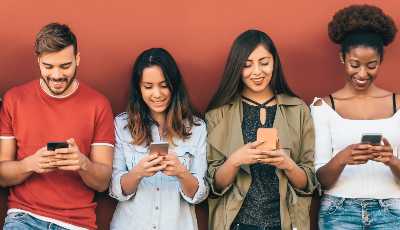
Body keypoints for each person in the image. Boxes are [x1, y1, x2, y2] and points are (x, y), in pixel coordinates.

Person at [0, 23, 115, 230]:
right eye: (48, 66)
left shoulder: (98, 105)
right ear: (38, 61)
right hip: (24, 217)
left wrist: (83, 164)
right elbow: (2, 175)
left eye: (65, 66)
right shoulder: (14, 100)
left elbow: (103, 182)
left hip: (77, 223)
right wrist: (30, 164)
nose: (56, 75)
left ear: (77, 59)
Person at [206, 29, 317, 230]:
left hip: (285, 222)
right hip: (237, 223)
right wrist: (235, 161)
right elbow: (215, 186)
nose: (257, 72)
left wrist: (288, 164)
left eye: (264, 63)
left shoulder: (298, 109)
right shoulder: (218, 114)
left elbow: (307, 183)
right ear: (236, 68)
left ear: (275, 63)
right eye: (247, 65)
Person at [311, 4, 400, 229]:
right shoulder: (323, 108)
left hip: (392, 211)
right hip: (338, 211)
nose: (362, 74)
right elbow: (320, 180)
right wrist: (344, 157)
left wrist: (391, 161)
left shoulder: (398, 105)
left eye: (371, 65)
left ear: (380, 61)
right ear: (342, 58)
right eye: (354, 65)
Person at [109, 48, 208, 230]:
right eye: (148, 86)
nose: (157, 94)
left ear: (174, 85)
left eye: (164, 85)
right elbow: (116, 189)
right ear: (139, 89)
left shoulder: (197, 128)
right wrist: (138, 172)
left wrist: (181, 172)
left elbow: (199, 194)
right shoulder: (122, 125)